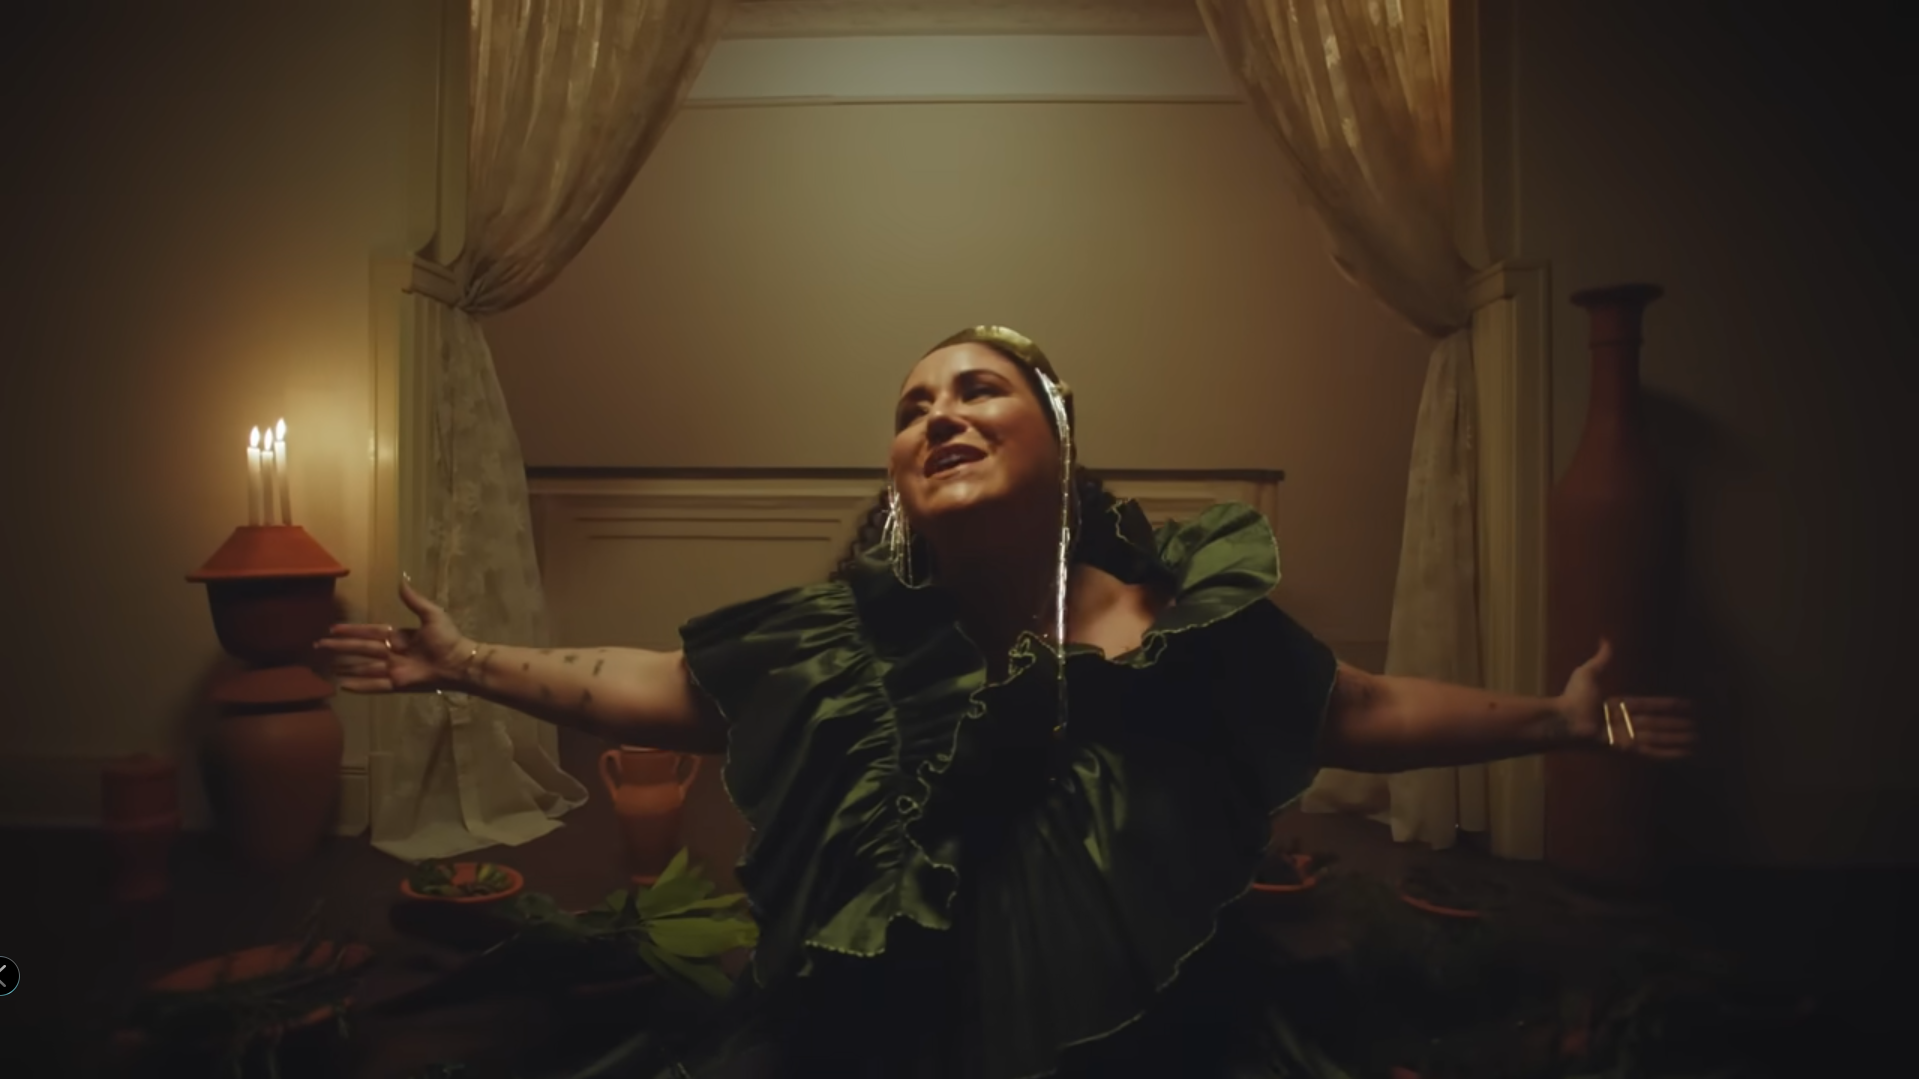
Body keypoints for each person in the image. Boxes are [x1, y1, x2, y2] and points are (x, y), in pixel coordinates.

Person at [319, 326, 1696, 1078]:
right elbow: (665, 688)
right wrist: (470, 660)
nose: (939, 414)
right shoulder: (846, 641)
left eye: (978, 389)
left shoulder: (1179, 622)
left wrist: (1556, 719)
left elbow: (1367, 710)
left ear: (1060, 438)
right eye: (913, 405)